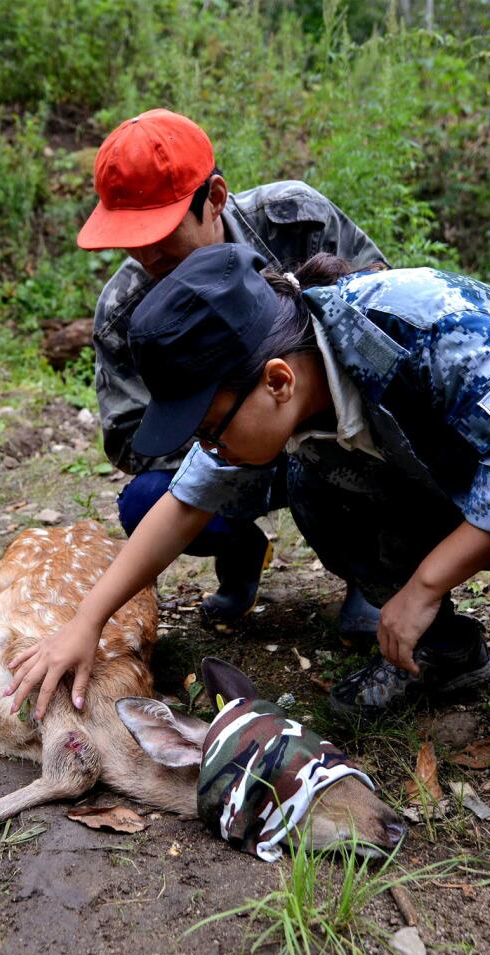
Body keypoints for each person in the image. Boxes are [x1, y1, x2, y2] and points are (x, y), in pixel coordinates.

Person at [6, 244, 490, 799]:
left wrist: (422, 584)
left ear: (277, 382)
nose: (206, 448)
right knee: (316, 481)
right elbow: (185, 503)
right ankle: (444, 657)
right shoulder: (286, 381)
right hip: (481, 481)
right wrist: (87, 622)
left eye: (208, 429)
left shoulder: (429, 325)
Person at [77, 108, 386, 636]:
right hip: (224, 450)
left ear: (214, 198)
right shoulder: (124, 313)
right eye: (130, 233)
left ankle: (375, 576)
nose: (146, 251)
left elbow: (375, 313)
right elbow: (132, 441)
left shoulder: (296, 220)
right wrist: (222, 426)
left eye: (159, 229)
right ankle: (239, 547)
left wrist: (292, 418)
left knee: (330, 453)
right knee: (147, 500)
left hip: (333, 428)